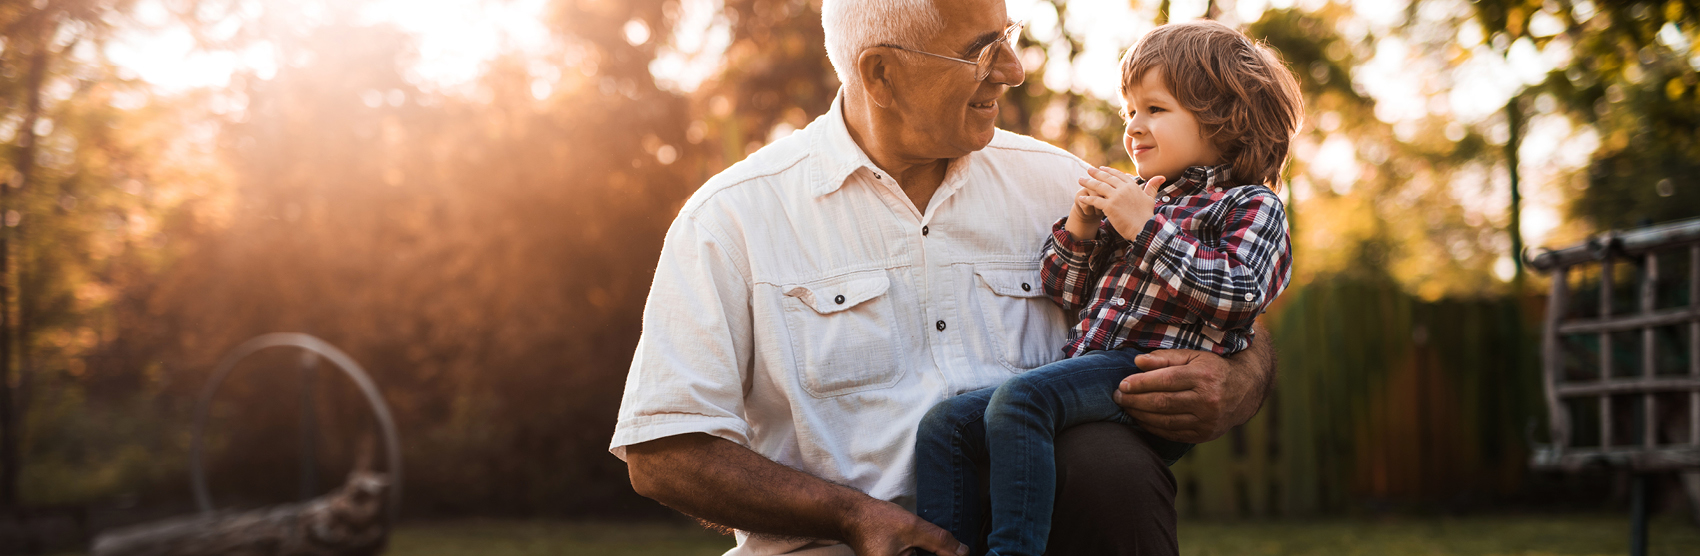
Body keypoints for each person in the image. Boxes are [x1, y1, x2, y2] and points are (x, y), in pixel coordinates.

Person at [609, 1, 1279, 555]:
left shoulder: (1062, 184)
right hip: (833, 548)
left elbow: (1218, 300)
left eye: (1010, 39)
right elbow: (666, 449)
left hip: (1046, 533)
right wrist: (852, 516)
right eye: (984, 51)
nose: (1014, 71)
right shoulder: (733, 218)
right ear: (882, 74)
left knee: (1113, 463)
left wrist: (1243, 379)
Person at [912, 20, 1303, 556]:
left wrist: (1146, 227)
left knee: (1020, 401)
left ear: (1224, 120)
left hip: (1149, 371)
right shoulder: (1141, 196)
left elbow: (1236, 297)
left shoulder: (1251, 206)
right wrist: (1081, 228)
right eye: (1130, 112)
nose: (1134, 127)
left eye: (1155, 109)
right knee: (945, 427)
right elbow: (1065, 292)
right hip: (1091, 367)